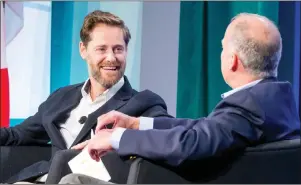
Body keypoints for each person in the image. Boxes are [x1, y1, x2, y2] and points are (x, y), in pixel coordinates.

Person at [59, 13, 301, 184]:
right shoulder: (277, 101)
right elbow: (205, 128)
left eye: (223, 47)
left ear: (232, 60)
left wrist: (117, 138)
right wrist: (136, 124)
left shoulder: (249, 106)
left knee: (74, 181)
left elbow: (191, 143)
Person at [0, 10, 171, 184]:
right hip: (44, 179)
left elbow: (167, 140)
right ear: (83, 50)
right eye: (101, 49)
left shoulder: (144, 103)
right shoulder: (61, 97)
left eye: (118, 49)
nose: (111, 58)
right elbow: (18, 135)